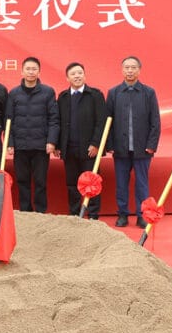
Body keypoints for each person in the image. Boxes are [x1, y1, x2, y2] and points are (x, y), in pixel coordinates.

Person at [105, 56, 161, 228]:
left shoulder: (148, 93)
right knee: (121, 184)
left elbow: (155, 121)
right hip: (121, 149)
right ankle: (122, 214)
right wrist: (110, 145)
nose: (130, 71)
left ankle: (142, 215)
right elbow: (108, 121)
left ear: (139, 70)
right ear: (122, 70)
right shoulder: (114, 93)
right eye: (127, 68)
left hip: (142, 149)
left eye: (133, 67)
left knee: (142, 185)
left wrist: (151, 145)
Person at [5, 57, 59, 213]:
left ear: (39, 71)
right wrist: (10, 142)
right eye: (28, 69)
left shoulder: (48, 92)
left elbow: (54, 119)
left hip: (41, 146)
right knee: (22, 181)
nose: (31, 72)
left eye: (34, 69)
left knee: (40, 181)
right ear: (22, 71)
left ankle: (41, 213)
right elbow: (9, 120)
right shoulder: (14, 93)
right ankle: (25, 212)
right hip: (21, 146)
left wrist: (51, 141)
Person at [56, 62, 107, 219]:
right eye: (73, 74)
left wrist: (96, 144)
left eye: (80, 73)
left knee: (92, 181)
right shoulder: (63, 97)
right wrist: (58, 145)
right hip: (69, 148)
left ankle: (92, 214)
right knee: (72, 183)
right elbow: (57, 122)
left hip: (89, 149)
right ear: (67, 78)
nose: (77, 76)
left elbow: (102, 122)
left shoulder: (95, 95)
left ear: (84, 75)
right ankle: (75, 214)